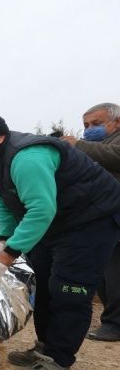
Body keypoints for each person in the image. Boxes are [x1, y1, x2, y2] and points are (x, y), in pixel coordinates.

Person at [0, 106, 120, 370]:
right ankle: (45, 347)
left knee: (69, 288)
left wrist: (8, 254)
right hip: (59, 223)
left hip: (91, 218)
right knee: (44, 281)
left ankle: (59, 363)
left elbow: (41, 210)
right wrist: (5, 238)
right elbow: (8, 203)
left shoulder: (27, 158)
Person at [60, 102, 120, 342]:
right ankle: (112, 319)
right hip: (102, 218)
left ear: (116, 122)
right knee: (104, 273)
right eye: (86, 125)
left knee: (115, 272)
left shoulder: (108, 145)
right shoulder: (97, 146)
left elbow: (115, 157)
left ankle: (115, 324)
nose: (89, 129)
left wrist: (78, 145)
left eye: (97, 123)